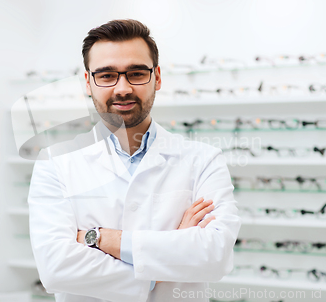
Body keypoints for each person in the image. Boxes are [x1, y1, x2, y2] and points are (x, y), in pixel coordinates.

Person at [28, 19, 241, 302]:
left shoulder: (202, 160)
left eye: (136, 73)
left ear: (158, 77)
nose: (123, 88)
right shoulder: (54, 163)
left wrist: (100, 238)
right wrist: (164, 265)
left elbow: (216, 255)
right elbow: (56, 269)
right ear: (88, 83)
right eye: (106, 76)